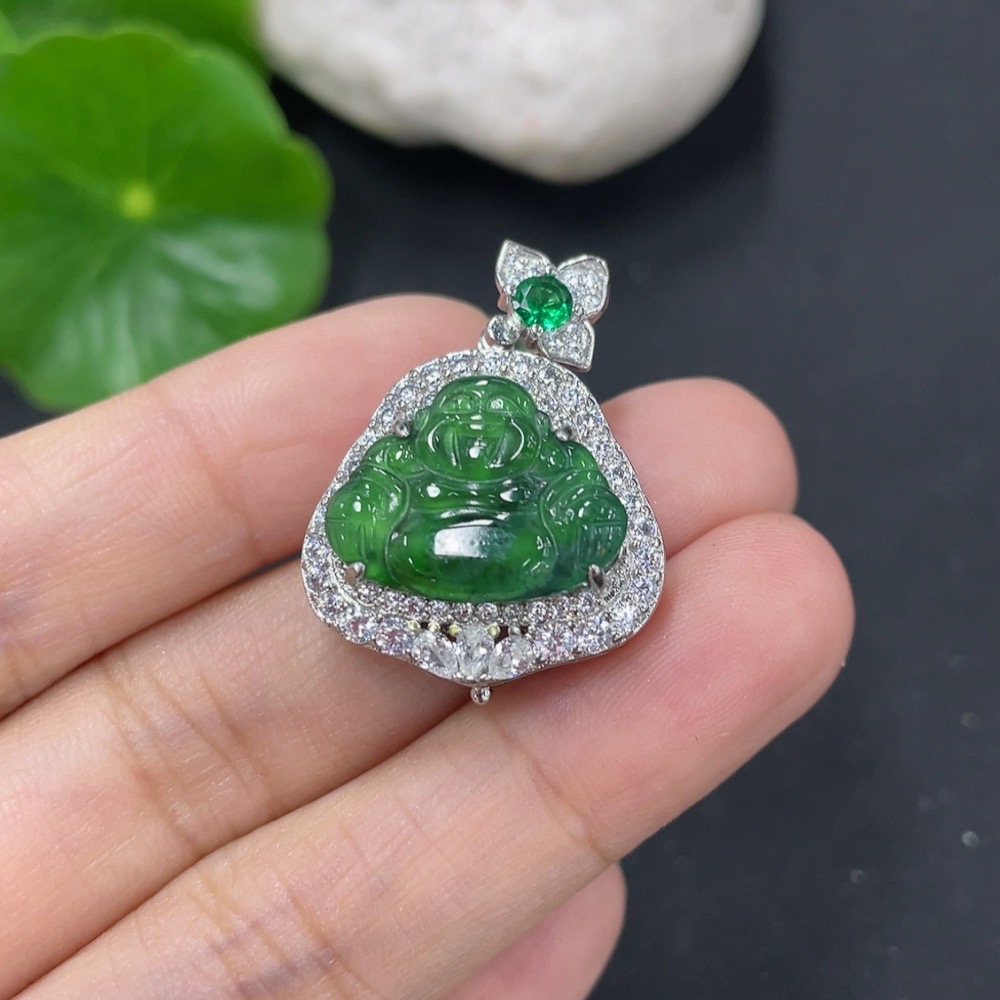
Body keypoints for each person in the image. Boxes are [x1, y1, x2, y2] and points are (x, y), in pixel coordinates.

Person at [0, 297, 853, 1000]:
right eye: (464, 419)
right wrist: (390, 522)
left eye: (499, 422)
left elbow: (598, 521)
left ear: (532, 429)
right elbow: (356, 514)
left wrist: (557, 524)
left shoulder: (554, 466)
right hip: (425, 552)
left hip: (521, 557)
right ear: (436, 423)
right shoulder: (409, 462)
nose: (478, 433)